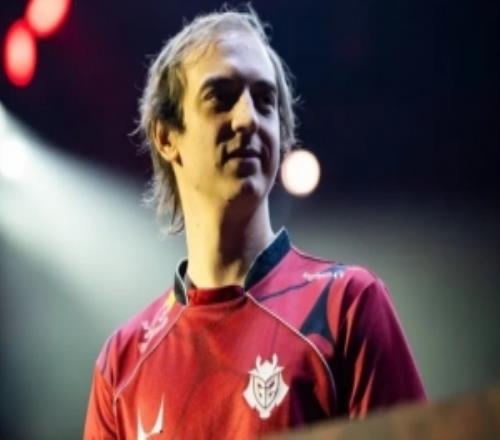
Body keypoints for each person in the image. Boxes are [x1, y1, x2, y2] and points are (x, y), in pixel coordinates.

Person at [84, 7, 426, 439]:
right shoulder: (122, 363)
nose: (248, 119)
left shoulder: (347, 305)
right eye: (221, 97)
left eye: (265, 101)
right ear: (167, 136)